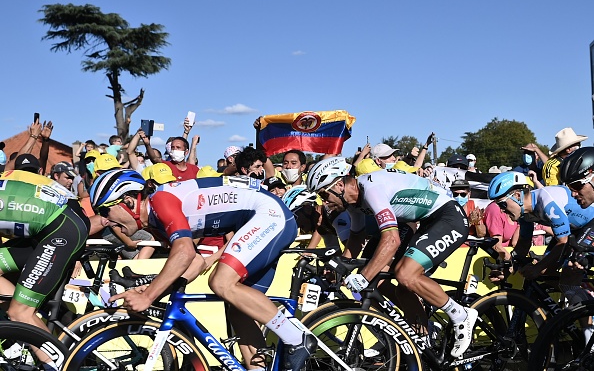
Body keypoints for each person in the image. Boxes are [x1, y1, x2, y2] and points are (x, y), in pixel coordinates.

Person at [91, 170, 315, 370]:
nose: (105, 221)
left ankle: (297, 338)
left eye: (105, 210)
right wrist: (151, 291)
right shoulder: (154, 223)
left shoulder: (160, 201)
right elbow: (195, 262)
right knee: (238, 310)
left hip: (269, 215)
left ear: (128, 202)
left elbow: (184, 252)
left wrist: (149, 296)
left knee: (221, 283)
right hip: (260, 218)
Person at [306, 157, 477, 358]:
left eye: (324, 194)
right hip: (422, 222)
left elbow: (392, 239)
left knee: (405, 274)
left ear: (340, 184)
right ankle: (419, 333)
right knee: (380, 283)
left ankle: (461, 315)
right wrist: (342, 265)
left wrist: (363, 277)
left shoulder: (371, 189)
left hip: (448, 217)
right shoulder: (354, 203)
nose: (324, 202)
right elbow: (356, 237)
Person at [0, 170, 89, 368]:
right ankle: (21, 328)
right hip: (59, 219)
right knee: (19, 310)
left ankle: (59, 365)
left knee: (20, 312)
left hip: (62, 226)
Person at [487, 172, 594, 308]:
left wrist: (537, 268)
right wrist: (507, 270)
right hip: (574, 231)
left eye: (502, 205)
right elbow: (523, 244)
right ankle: (583, 295)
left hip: (590, 224)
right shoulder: (525, 214)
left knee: (568, 277)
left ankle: (589, 323)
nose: (502, 211)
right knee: (546, 273)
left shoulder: (546, 201)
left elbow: (563, 242)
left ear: (517, 196)